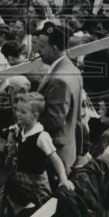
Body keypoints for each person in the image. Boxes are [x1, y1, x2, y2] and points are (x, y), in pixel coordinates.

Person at [35, 23, 82, 173]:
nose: (38, 50)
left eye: (41, 47)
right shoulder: (71, 69)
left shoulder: (59, 79)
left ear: (54, 49)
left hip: (54, 153)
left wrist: (28, 121)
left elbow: (54, 121)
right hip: (66, 147)